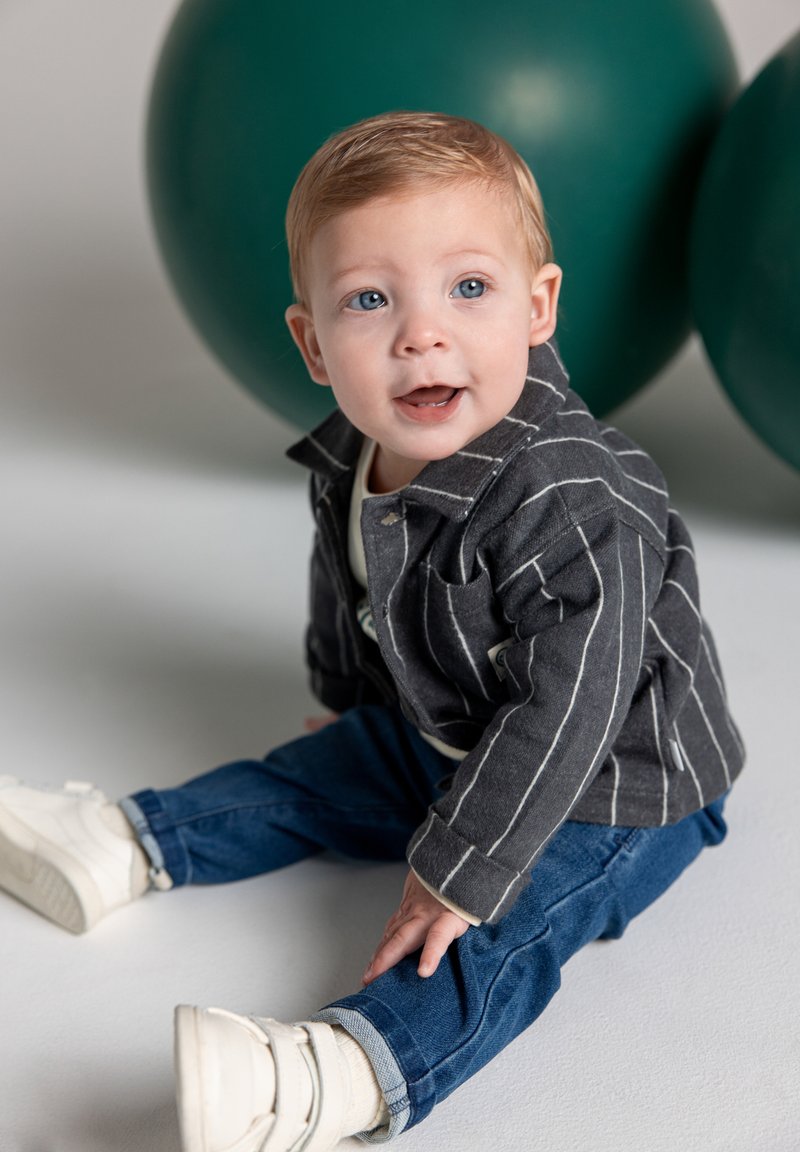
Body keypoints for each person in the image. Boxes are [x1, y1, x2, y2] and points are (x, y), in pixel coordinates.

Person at [0, 111, 744, 1152]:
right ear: (311, 342)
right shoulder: (360, 451)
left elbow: (569, 708)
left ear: (537, 308)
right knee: (318, 773)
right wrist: (350, 702)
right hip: (454, 728)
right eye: (368, 301)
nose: (420, 334)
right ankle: (126, 841)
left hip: (614, 784)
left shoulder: (574, 501)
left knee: (499, 922)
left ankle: (346, 1069)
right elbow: (350, 590)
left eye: (468, 289)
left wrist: (461, 861)